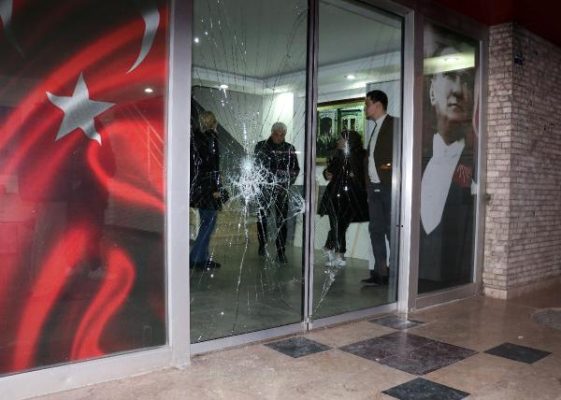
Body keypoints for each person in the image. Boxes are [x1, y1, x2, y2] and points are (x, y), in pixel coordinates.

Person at [419, 43, 475, 285]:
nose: (459, 90)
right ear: (432, 91)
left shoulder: (476, 164)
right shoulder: (413, 163)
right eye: (450, 76)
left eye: (466, 81)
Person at [361, 90, 398, 286]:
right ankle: (380, 272)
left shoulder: (395, 124)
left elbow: (402, 154)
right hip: (374, 189)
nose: (365, 108)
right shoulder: (376, 128)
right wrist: (368, 186)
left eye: (367, 104)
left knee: (392, 231)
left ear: (378, 105)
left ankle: (396, 273)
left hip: (389, 187)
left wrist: (388, 169)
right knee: (375, 230)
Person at [318, 130, 368, 267]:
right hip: (336, 193)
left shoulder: (360, 155)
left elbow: (362, 174)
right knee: (337, 224)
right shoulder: (338, 154)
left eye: (341, 139)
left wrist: (354, 176)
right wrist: (326, 173)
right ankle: (338, 253)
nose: (338, 141)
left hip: (352, 195)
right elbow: (329, 171)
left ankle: (331, 248)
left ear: (348, 141)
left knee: (340, 224)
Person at [254, 122, 300, 263]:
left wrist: (286, 184)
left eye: (282, 135)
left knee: (282, 220)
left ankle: (281, 251)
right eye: (276, 134)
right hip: (264, 187)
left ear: (285, 135)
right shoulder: (261, 146)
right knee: (262, 217)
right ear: (272, 133)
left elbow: (295, 169)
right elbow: (256, 167)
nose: (279, 137)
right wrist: (264, 183)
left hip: (282, 189)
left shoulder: (289, 148)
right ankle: (262, 243)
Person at [190, 111, 225, 270]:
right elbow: (213, 166)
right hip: (209, 187)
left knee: (206, 222)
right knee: (209, 224)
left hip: (198, 186)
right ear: (214, 122)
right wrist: (216, 187)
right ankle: (196, 258)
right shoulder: (211, 138)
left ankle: (202, 258)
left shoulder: (196, 138)